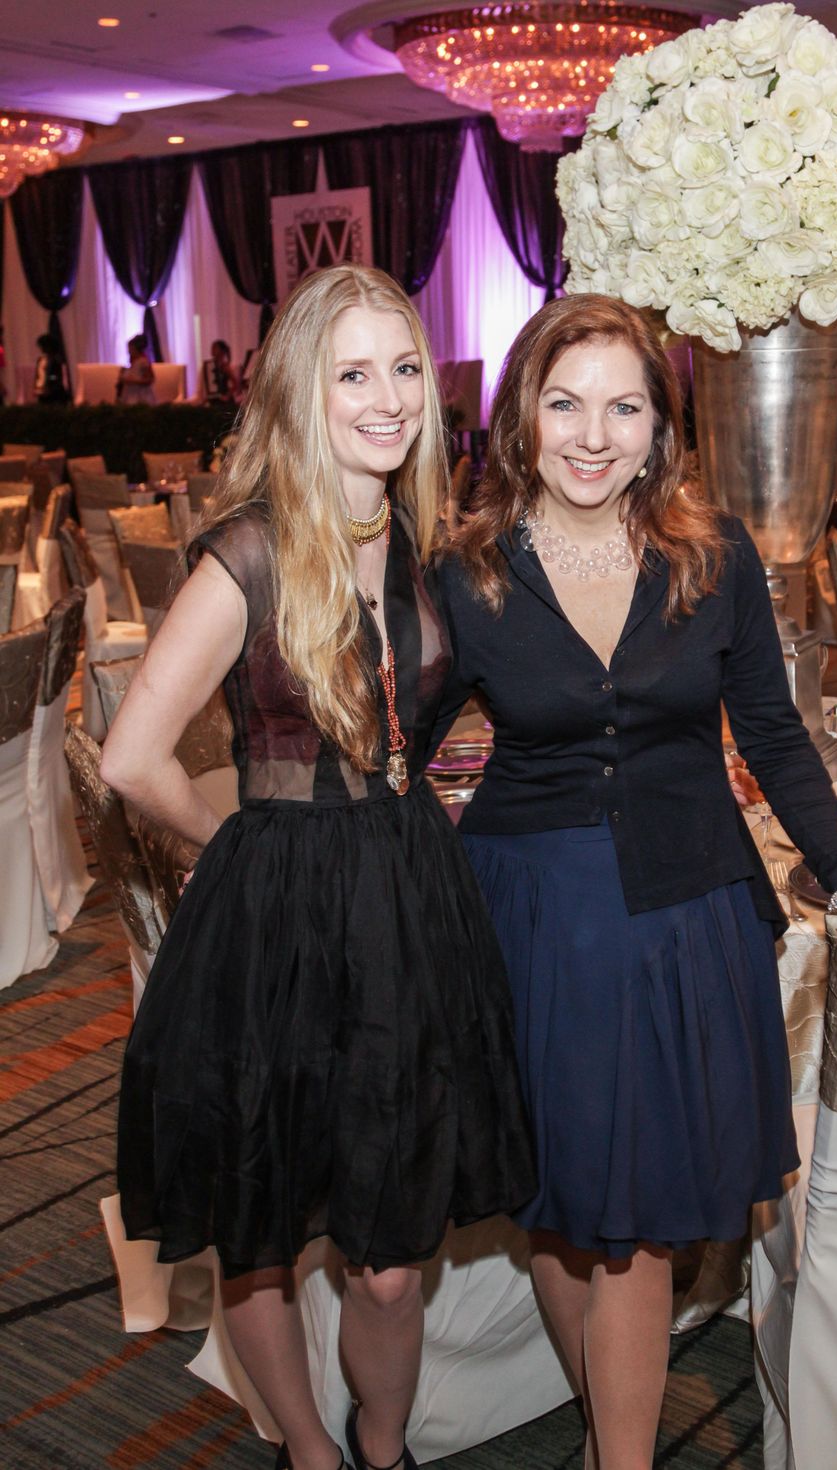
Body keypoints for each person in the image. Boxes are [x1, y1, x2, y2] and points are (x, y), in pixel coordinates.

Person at [438, 294, 837, 1470]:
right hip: (530, 918)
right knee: (562, 1216)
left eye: (624, 407)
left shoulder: (706, 553)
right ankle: (598, 1415)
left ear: (660, 427)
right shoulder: (466, 573)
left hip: (681, 914)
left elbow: (770, 735)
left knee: (633, 1235)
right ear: (520, 413)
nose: (591, 434)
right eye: (564, 403)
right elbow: (399, 749)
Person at [101, 265, 535, 1470]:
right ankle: (307, 1448)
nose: (388, 398)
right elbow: (132, 761)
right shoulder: (243, 555)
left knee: (391, 1260)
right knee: (259, 1227)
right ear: (300, 391)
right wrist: (238, 851)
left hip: (406, 908)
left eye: (404, 367)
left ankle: (381, 1444)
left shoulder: (417, 544)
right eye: (354, 373)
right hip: (279, 914)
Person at [116, 333, 156, 404]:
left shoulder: (143, 362)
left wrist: (132, 381)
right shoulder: (133, 363)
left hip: (140, 396)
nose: (128, 352)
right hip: (130, 394)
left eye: (130, 349)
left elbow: (150, 379)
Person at [33, 332, 70, 404]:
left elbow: (56, 376)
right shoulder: (40, 360)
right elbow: (38, 375)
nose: (42, 348)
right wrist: (36, 387)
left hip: (55, 393)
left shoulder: (56, 360)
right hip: (42, 391)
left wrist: (49, 382)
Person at [203, 337, 241, 404]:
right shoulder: (210, 366)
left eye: (215, 347)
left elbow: (236, 384)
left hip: (223, 400)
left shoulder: (224, 366)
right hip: (215, 399)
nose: (212, 349)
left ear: (222, 351)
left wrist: (227, 395)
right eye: (212, 347)